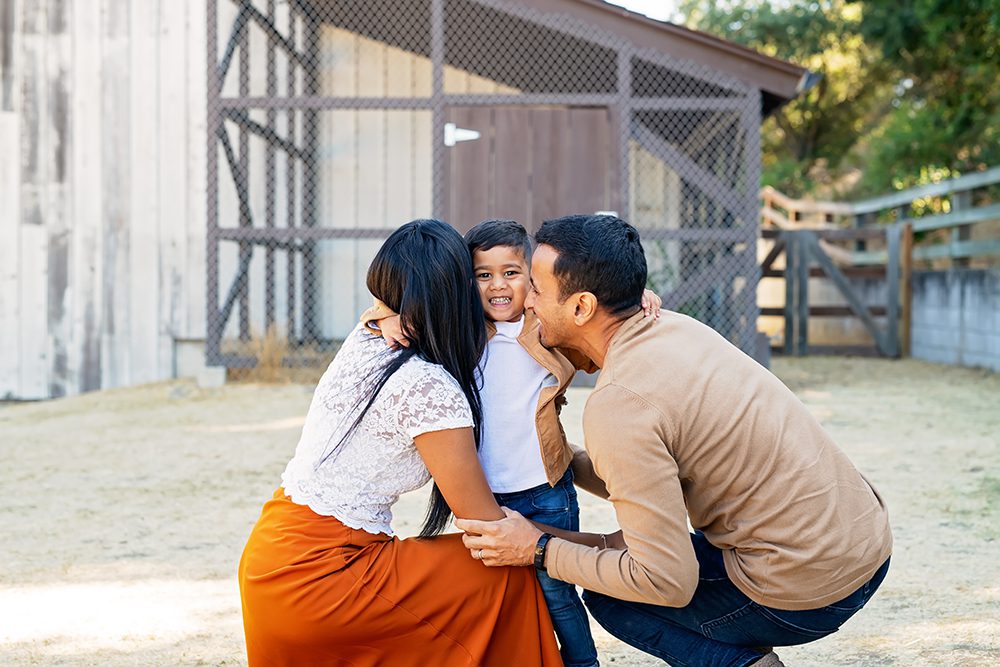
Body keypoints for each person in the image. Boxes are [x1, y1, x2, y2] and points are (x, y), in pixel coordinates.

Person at [456, 214, 893, 667]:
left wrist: (539, 549)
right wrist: (561, 463)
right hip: (863, 547)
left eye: (538, 291)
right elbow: (654, 480)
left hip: (809, 590)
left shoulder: (620, 405)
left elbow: (665, 580)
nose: (527, 303)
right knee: (622, 552)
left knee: (614, 601)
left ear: (583, 306)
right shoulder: (675, 327)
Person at [237, 219, 562, 666]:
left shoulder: (368, 337)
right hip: (323, 581)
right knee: (504, 574)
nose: (490, 288)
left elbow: (391, 297)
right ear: (457, 293)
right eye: (478, 278)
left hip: (270, 561)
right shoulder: (427, 388)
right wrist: (585, 545)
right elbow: (487, 529)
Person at [363, 219, 662, 667]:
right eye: (484, 274)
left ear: (533, 280)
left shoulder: (549, 331)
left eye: (511, 272)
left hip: (546, 491)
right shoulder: (459, 331)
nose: (498, 285)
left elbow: (603, 324)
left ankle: (583, 662)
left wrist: (638, 300)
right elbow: (390, 307)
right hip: (486, 494)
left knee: (559, 596)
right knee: (494, 590)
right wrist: (384, 315)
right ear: (467, 282)